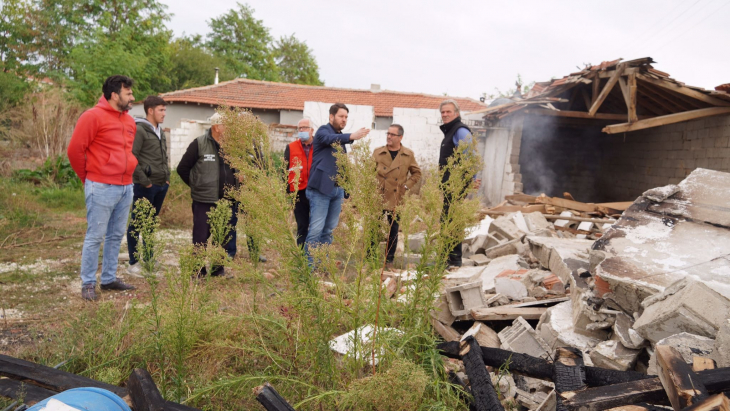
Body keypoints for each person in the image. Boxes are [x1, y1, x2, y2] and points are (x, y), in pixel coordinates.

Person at [67, 75, 138, 301]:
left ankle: (108, 279)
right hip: (101, 185)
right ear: (114, 95)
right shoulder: (92, 116)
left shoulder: (129, 121)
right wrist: (88, 179)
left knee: (116, 235)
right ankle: (88, 282)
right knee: (95, 236)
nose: (132, 97)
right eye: (128, 93)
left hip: (126, 186)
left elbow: (126, 153)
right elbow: (75, 151)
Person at [176, 113, 264, 278]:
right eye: (227, 125)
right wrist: (197, 186)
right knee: (201, 237)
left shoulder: (233, 146)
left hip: (228, 200)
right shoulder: (199, 144)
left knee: (222, 236)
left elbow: (242, 166)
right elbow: (182, 168)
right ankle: (197, 271)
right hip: (204, 200)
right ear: (217, 127)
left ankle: (217, 270)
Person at [304, 103, 369, 264]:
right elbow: (329, 139)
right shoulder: (323, 132)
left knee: (328, 231)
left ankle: (323, 265)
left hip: (336, 191)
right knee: (316, 230)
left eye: (346, 117)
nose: (344, 120)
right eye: (341, 116)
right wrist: (351, 136)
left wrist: (346, 188)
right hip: (320, 190)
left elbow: (341, 165)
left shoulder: (339, 139)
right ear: (331, 117)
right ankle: (309, 268)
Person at [126, 96, 170, 275]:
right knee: (137, 224)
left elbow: (164, 156)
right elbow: (131, 157)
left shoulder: (161, 131)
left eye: (165, 110)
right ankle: (134, 263)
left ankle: (150, 258)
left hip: (161, 184)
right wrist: (145, 181)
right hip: (145, 185)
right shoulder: (140, 130)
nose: (164, 114)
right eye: (161, 110)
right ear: (150, 110)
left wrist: (167, 178)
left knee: (151, 224)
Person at [438, 99, 481, 268]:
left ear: (456, 113)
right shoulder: (451, 131)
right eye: (443, 112)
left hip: (457, 184)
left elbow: (470, 156)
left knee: (452, 221)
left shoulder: (460, 131)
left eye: (448, 112)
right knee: (448, 220)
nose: (445, 115)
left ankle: (453, 260)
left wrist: (472, 179)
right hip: (451, 184)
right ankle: (449, 259)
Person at [372, 124, 421, 265]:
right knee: (373, 227)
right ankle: (369, 257)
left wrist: (406, 186)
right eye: (388, 133)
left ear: (400, 137)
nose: (389, 136)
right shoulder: (378, 152)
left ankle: (389, 259)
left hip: (396, 197)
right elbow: (369, 171)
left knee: (393, 229)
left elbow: (416, 173)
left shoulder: (408, 154)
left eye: (392, 134)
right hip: (378, 196)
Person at [283, 118, 314, 247]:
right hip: (298, 191)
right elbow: (285, 170)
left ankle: (314, 254)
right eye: (300, 128)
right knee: (302, 225)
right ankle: (302, 255)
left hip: (315, 190)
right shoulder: (291, 147)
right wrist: (288, 191)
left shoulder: (319, 146)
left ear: (312, 130)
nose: (301, 130)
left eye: (305, 127)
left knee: (316, 225)